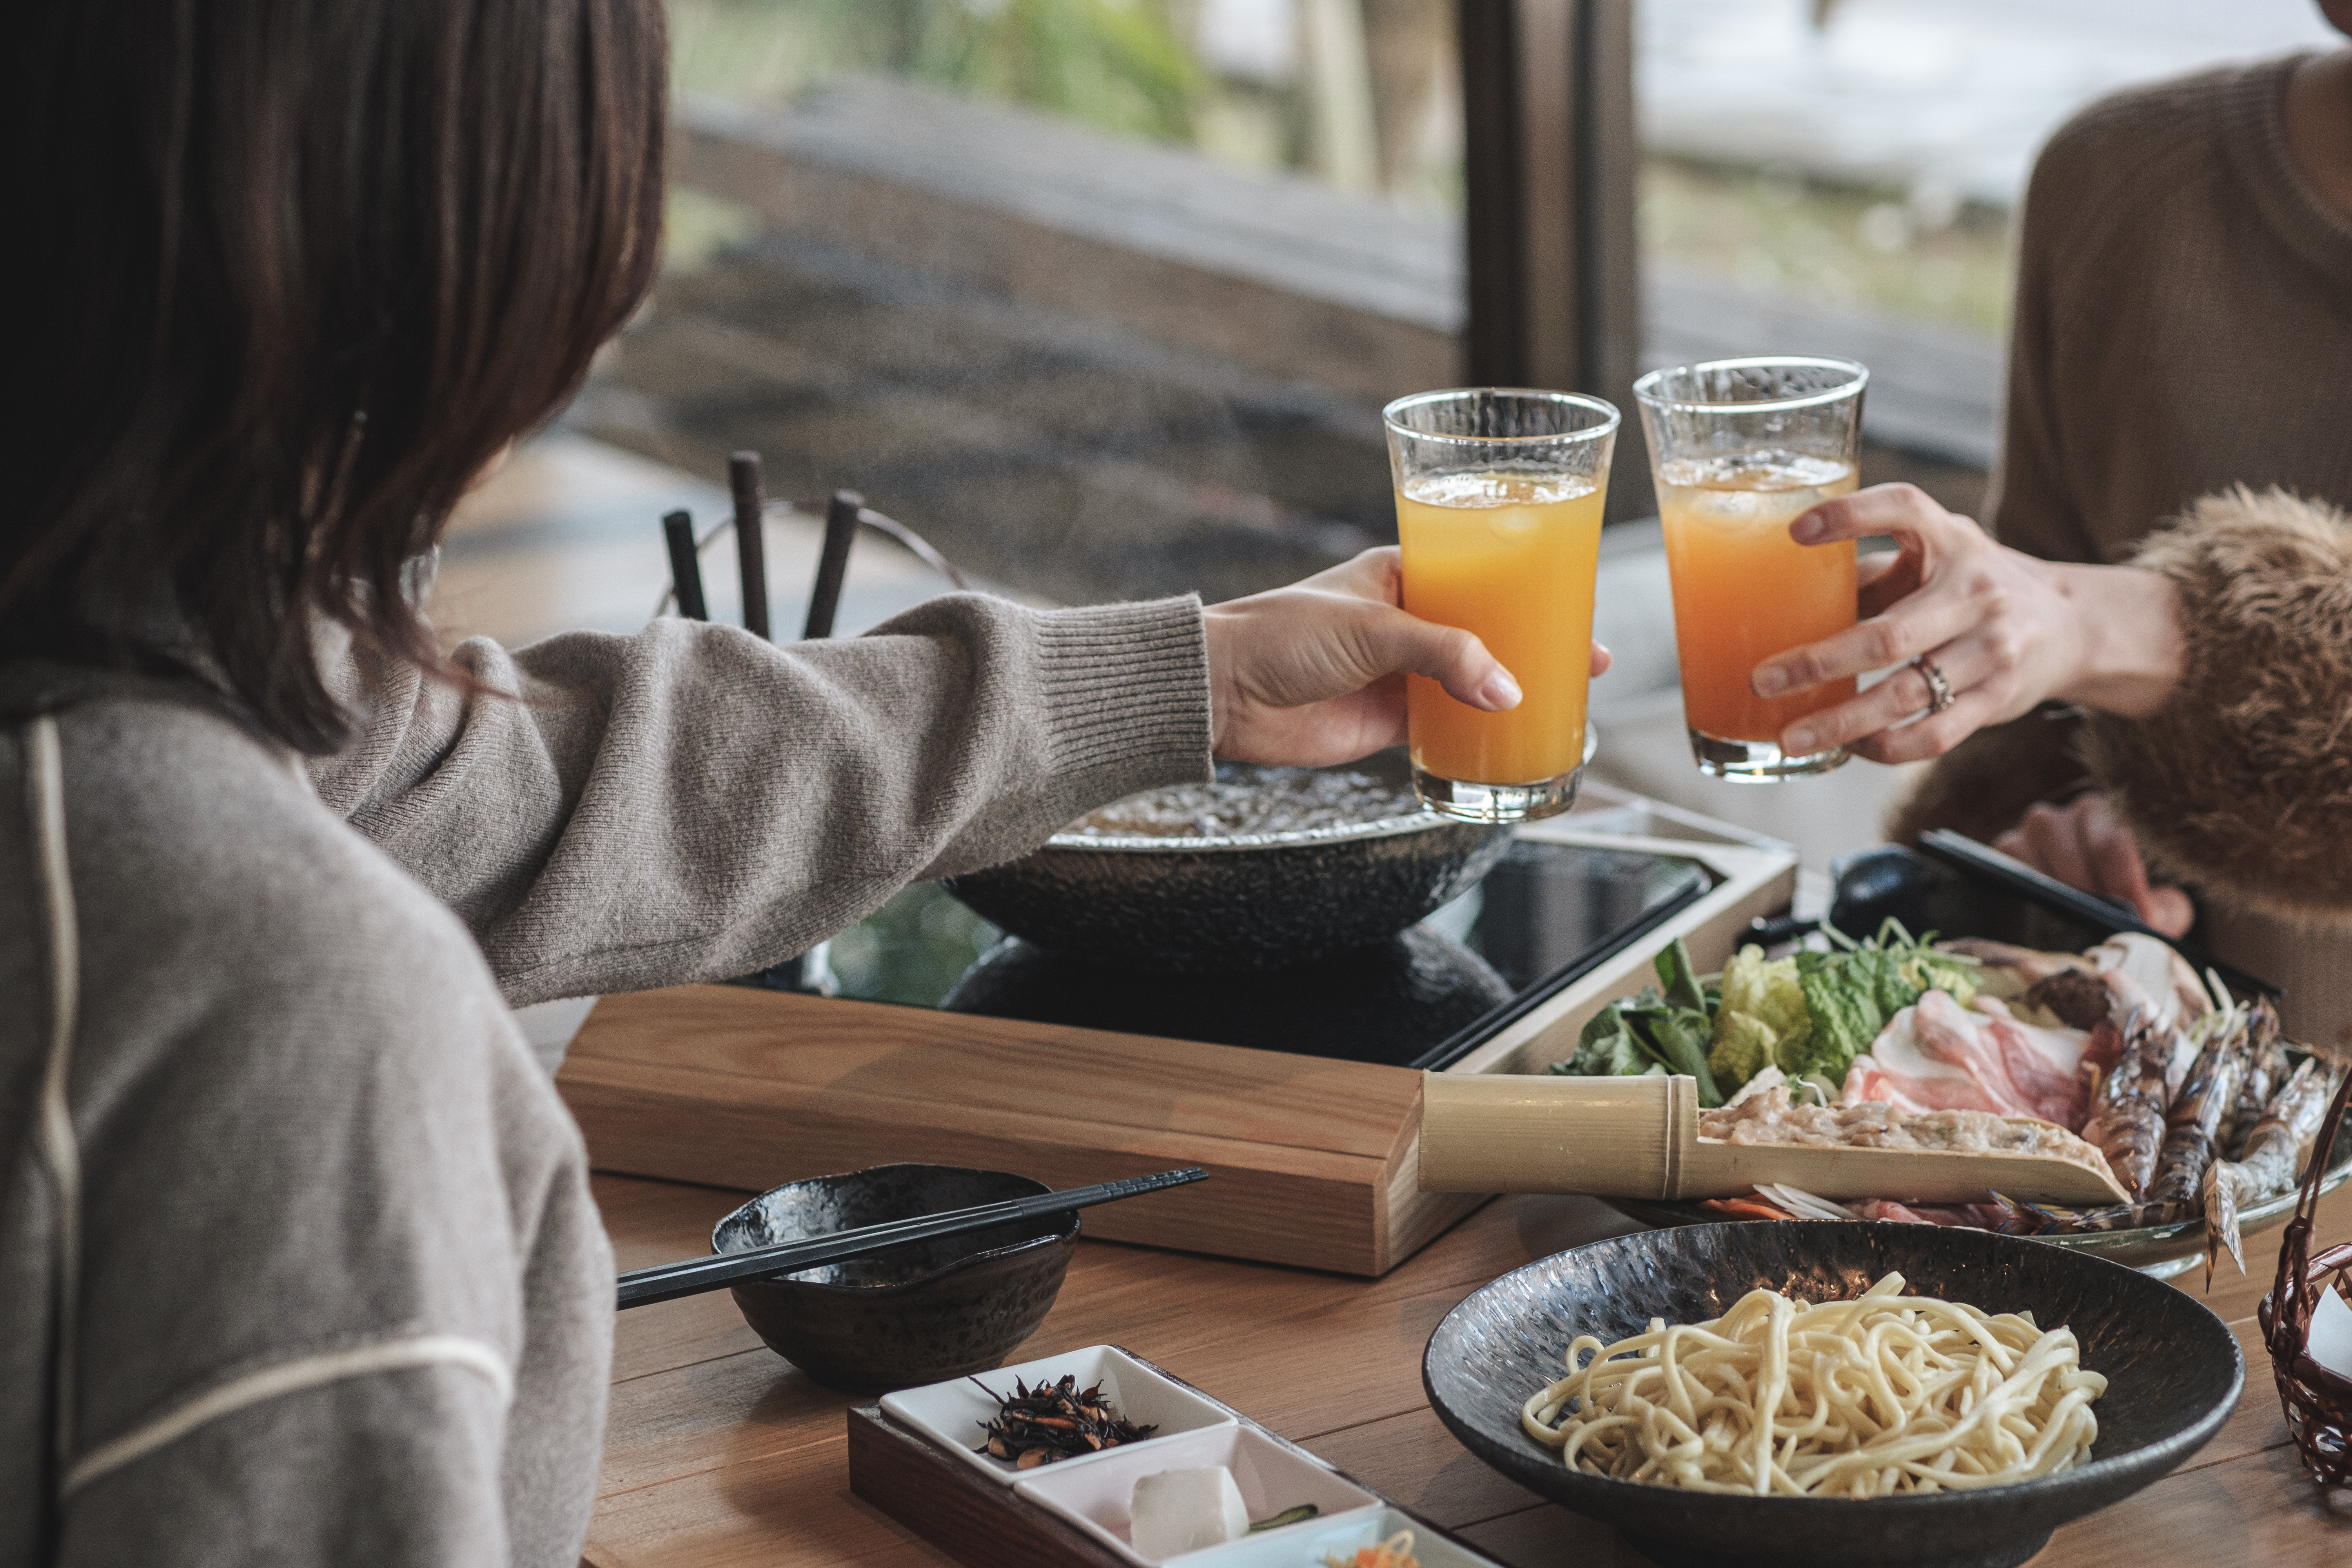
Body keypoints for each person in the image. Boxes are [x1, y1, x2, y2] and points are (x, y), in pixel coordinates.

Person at [0, 3, 1588, 1562]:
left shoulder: (129, 680)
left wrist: (1191, 678)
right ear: (419, 218)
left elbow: (483, 780)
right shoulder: (281, 1020)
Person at [1743, 13, 2352, 1045]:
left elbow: (2070, 624)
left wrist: (2109, 625)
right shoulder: (2126, 184)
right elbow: (2043, 735)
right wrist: (2020, 877)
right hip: (2157, 1158)